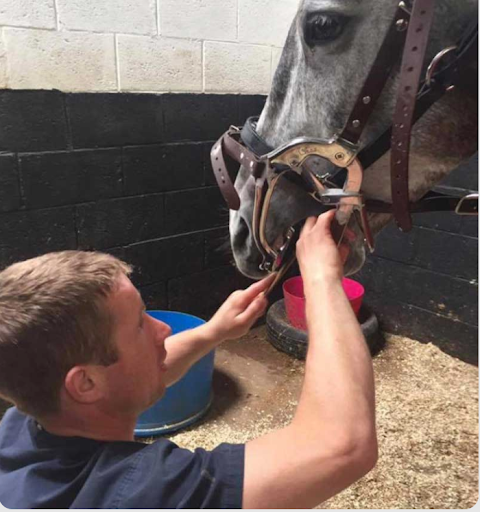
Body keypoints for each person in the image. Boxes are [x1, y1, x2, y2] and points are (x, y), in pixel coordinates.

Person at [0, 210, 377, 509]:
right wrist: (322, 277)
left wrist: (214, 331)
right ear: (85, 383)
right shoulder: (140, 494)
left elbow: (137, 376)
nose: (163, 330)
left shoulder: (22, 426)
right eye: (139, 326)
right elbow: (340, 446)